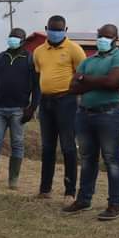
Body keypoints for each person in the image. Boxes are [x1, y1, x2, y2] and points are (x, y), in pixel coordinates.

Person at [64, 24, 119, 221]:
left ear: (116, 38)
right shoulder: (89, 60)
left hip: (110, 114)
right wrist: (103, 81)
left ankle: (116, 204)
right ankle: (84, 199)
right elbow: (73, 87)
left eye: (107, 36)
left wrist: (85, 80)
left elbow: (113, 83)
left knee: (112, 159)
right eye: (100, 35)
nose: (103, 39)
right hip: (84, 114)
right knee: (87, 159)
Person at [0, 28, 40, 188]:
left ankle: (13, 181)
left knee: (17, 143)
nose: (13, 39)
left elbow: (36, 87)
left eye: (17, 37)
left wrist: (32, 108)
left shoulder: (30, 60)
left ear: (23, 40)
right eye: (11, 36)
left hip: (19, 109)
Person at [34, 15, 86, 201]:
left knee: (68, 147)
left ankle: (70, 191)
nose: (55, 32)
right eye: (52, 29)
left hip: (67, 102)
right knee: (47, 147)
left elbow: (82, 76)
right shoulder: (39, 51)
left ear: (65, 30)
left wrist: (76, 97)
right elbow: (39, 74)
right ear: (46, 28)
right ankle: (44, 189)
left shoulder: (75, 50)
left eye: (59, 29)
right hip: (46, 102)